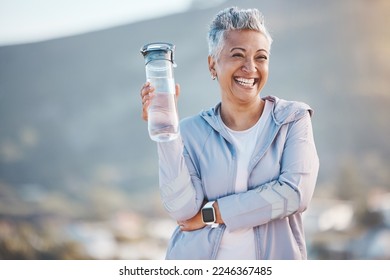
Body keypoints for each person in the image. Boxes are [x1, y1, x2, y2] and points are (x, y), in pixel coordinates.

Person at [140, 6, 319, 260]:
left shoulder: (292, 119)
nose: (250, 67)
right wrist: (167, 130)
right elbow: (182, 209)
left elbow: (293, 194)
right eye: (238, 55)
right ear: (213, 64)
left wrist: (212, 213)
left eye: (261, 57)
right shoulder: (190, 131)